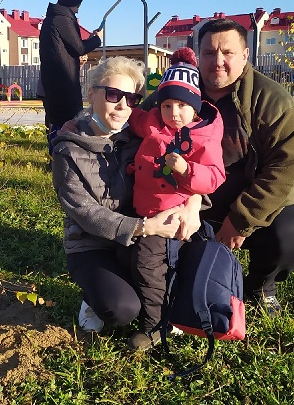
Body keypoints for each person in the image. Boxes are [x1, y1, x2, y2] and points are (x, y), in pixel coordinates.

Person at [50, 56, 201, 336]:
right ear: (91, 94)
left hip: (139, 239)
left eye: (131, 99)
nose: (122, 106)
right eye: (113, 94)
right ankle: (92, 298)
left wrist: (194, 202)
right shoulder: (67, 151)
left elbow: (188, 172)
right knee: (122, 309)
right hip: (92, 244)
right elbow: (85, 213)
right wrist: (145, 226)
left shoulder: (141, 138)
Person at [194, 19, 294, 316]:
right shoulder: (178, 92)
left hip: (253, 194)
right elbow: (136, 125)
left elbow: (293, 165)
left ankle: (260, 285)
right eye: (209, 53)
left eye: (227, 52)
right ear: (197, 56)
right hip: (193, 197)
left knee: (291, 234)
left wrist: (241, 219)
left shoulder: (272, 99)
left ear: (245, 56)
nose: (218, 61)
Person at [124, 50, 225, 349]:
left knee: (148, 265)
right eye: (167, 105)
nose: (174, 113)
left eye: (182, 105)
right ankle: (167, 313)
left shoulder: (203, 137)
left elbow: (215, 176)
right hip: (145, 211)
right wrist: (122, 102)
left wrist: (187, 169)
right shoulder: (154, 123)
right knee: (149, 264)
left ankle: (156, 325)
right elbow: (134, 117)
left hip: (172, 215)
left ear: (195, 108)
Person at [40, 0, 103, 154]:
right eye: (77, 6)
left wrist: (88, 41)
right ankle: (62, 156)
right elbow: (79, 48)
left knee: (56, 121)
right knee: (67, 121)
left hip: (54, 81)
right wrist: (97, 40)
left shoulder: (51, 19)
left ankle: (55, 156)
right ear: (71, 4)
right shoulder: (62, 19)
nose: (77, 11)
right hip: (63, 82)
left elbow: (68, 48)